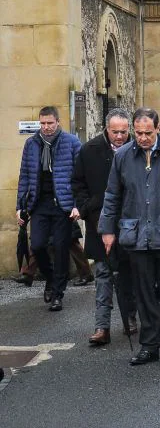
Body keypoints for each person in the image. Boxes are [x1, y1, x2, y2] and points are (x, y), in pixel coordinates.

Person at [98, 107, 160, 366]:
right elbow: (112, 195)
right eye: (139, 132)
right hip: (136, 235)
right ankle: (150, 345)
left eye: (148, 132)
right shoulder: (122, 156)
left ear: (158, 129)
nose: (142, 138)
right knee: (144, 294)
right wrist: (108, 230)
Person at [72, 108, 136, 347]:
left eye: (123, 132)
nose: (119, 136)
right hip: (99, 222)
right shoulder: (89, 150)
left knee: (129, 274)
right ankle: (102, 326)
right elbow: (77, 183)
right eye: (114, 132)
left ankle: (130, 317)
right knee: (102, 275)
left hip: (130, 223)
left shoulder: (136, 149)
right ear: (106, 129)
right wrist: (87, 207)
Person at [16, 106, 81, 312]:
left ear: (58, 122)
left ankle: (58, 294)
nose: (46, 127)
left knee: (61, 249)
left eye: (50, 123)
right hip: (39, 203)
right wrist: (20, 206)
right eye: (42, 123)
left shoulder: (71, 142)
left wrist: (78, 205)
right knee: (37, 245)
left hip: (63, 204)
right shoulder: (31, 144)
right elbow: (24, 175)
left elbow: (81, 176)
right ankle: (51, 278)